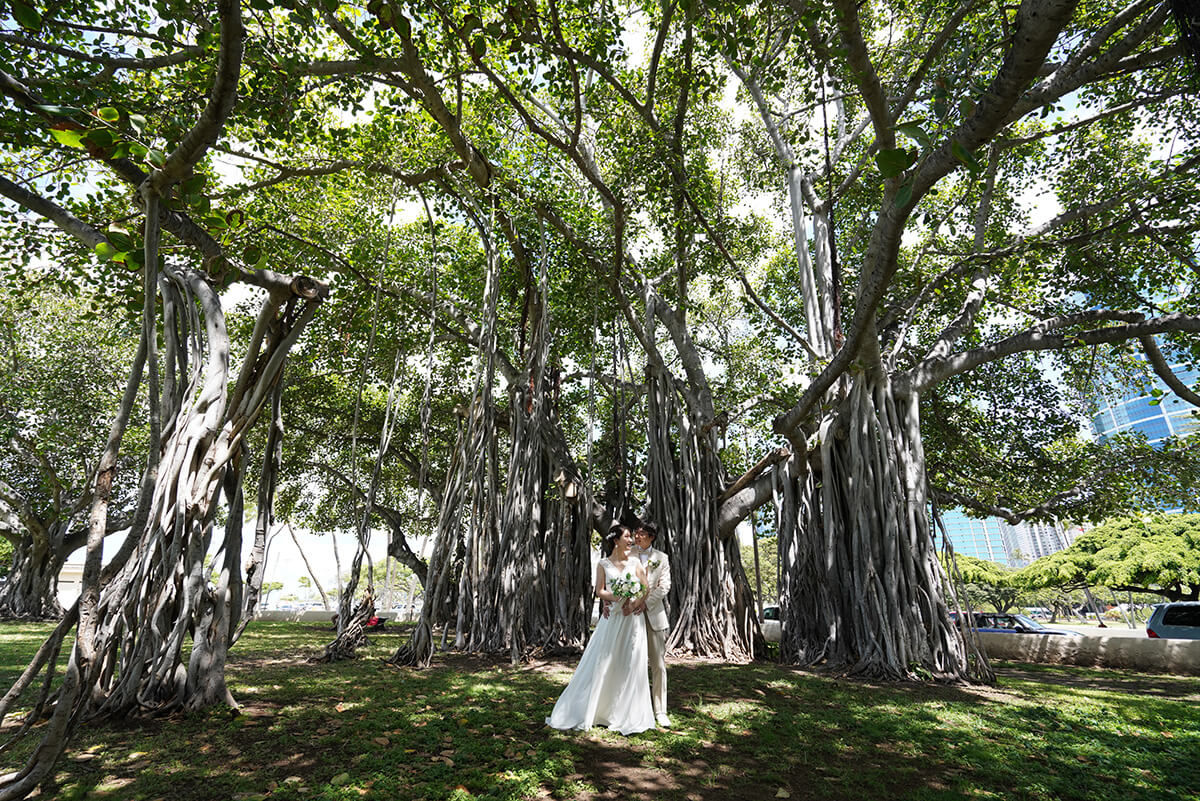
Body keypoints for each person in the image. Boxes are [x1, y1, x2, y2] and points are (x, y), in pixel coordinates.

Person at [545, 525, 655, 735]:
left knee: (629, 661)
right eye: (627, 536)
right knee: (604, 660)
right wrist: (618, 598)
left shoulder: (635, 562)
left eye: (631, 537)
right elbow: (600, 591)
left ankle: (625, 713)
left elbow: (645, 587)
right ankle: (598, 710)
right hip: (612, 617)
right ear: (616, 540)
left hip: (631, 620)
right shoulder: (603, 564)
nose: (631, 540)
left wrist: (633, 603)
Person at [629, 522, 671, 728]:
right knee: (629, 663)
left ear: (651, 537)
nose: (637, 537)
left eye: (642, 534)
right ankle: (631, 707)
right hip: (628, 615)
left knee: (658, 664)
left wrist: (645, 603)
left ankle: (660, 710)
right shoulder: (627, 554)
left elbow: (665, 586)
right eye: (636, 533)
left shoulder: (662, 558)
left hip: (653, 615)